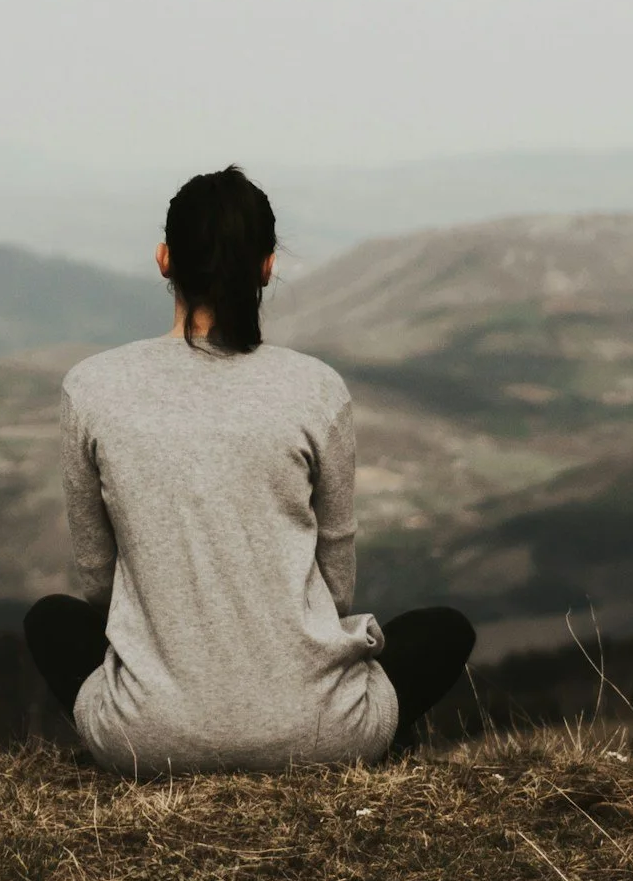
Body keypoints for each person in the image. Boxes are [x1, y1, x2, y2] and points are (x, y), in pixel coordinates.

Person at [24, 165, 475, 775]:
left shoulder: (91, 387)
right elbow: (336, 582)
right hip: (322, 734)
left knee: (51, 621)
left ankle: (169, 719)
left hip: (147, 739)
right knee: (443, 630)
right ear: (267, 267)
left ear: (164, 259)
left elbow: (97, 579)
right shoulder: (317, 388)